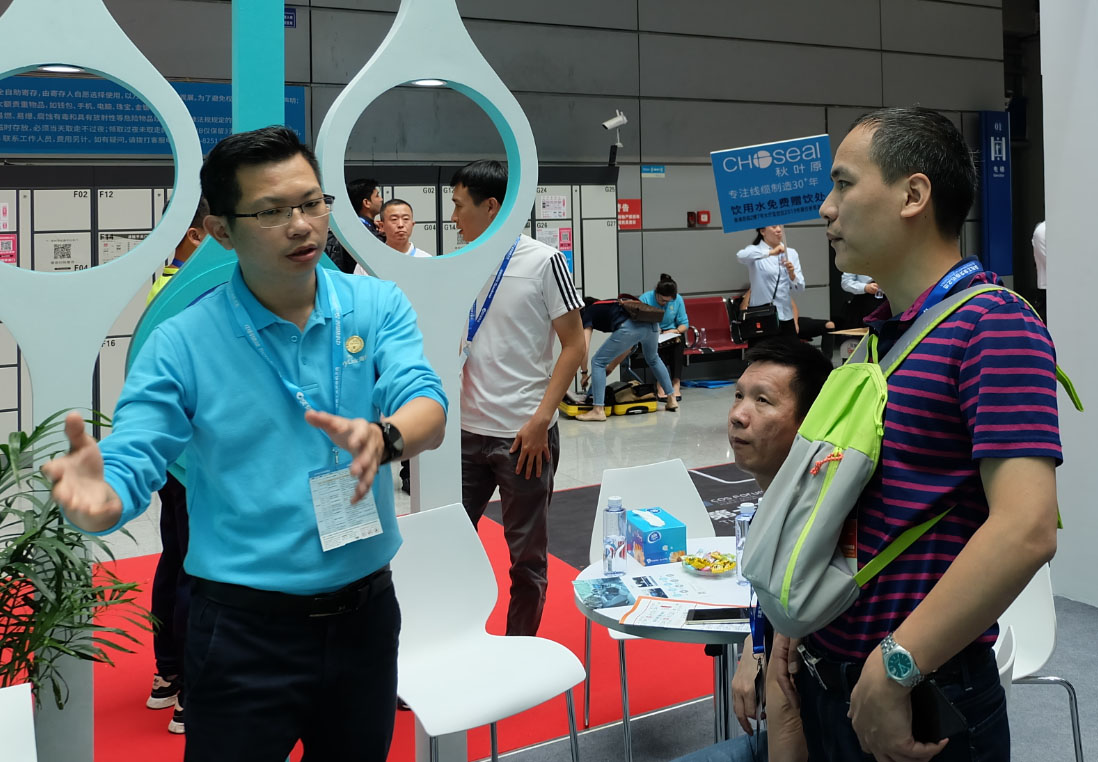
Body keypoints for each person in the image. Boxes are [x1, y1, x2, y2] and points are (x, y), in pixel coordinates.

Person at [43, 125, 447, 762]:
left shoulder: (375, 304)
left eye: (311, 203)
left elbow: (426, 400)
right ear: (222, 231)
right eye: (271, 211)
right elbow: (136, 451)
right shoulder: (182, 343)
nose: (301, 226)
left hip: (366, 618)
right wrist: (101, 499)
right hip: (243, 633)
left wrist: (386, 436)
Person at [771, 106, 1061, 762]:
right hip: (830, 678)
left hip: (917, 691)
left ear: (913, 195)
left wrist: (898, 662)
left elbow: (1026, 528)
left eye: (844, 184)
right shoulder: (882, 337)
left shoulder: (994, 325)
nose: (825, 208)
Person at [673, 338, 831, 762]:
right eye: (739, 395)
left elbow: (788, 710)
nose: (738, 415)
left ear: (811, 422)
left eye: (763, 401)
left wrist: (763, 648)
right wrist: (754, 643)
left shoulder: (814, 531)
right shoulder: (778, 510)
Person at [453, 159, 585, 637]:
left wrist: (540, 420)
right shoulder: (460, 262)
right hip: (465, 433)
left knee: (526, 558)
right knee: (447, 545)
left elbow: (575, 346)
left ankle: (519, 649)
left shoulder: (544, 261)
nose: (453, 218)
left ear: (491, 206)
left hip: (523, 437)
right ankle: (454, 637)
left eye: (459, 206)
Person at [143, 197, 209, 735]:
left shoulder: (164, 285)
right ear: (201, 235)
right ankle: (190, 687)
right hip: (195, 453)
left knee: (174, 558)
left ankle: (166, 673)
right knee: (194, 567)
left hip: (172, 449)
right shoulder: (198, 288)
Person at [352, 198, 431, 493]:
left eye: (406, 219)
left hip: (412, 345)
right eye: (394, 219)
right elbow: (358, 309)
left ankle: (411, 471)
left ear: (413, 223)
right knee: (377, 407)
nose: (400, 225)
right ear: (380, 225)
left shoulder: (426, 261)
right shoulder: (368, 262)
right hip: (375, 349)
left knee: (411, 404)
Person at [574, 296, 678, 421]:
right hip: (652, 325)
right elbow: (629, 346)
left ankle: (598, 410)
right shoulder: (611, 305)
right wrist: (611, 367)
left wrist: (584, 373)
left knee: (597, 361)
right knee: (653, 359)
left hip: (631, 327)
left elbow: (583, 347)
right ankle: (671, 399)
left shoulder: (588, 312)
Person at [736, 224, 804, 341]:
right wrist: (771, 252)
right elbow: (740, 256)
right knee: (764, 352)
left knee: (789, 351)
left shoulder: (791, 253)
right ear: (763, 231)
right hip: (762, 315)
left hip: (786, 315)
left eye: (780, 226)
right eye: (773, 227)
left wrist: (792, 274)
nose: (779, 230)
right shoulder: (755, 251)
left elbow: (800, 288)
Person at [640, 273, 689, 400]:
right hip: (651, 332)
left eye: (668, 301)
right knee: (658, 345)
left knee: (679, 341)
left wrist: (675, 330)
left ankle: (676, 383)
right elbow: (638, 322)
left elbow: (684, 324)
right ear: (656, 293)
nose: (664, 304)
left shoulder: (678, 299)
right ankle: (661, 384)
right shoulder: (645, 299)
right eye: (662, 300)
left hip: (671, 332)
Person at [324, 177, 384, 273]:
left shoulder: (356, 227)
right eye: (377, 196)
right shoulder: (362, 232)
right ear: (366, 203)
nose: (381, 199)